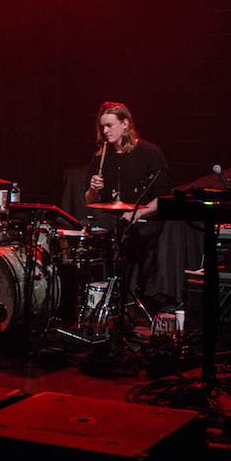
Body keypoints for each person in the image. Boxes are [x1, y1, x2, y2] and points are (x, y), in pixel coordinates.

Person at [84, 101, 171, 313]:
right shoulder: (102, 157)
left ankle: (126, 304)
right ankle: (94, 299)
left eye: (109, 126)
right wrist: (93, 189)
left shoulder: (150, 154)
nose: (105, 131)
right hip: (111, 218)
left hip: (144, 219)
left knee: (126, 237)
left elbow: (165, 197)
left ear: (125, 124)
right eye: (102, 126)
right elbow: (89, 201)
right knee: (87, 232)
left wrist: (139, 211)